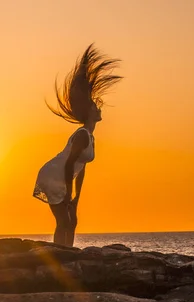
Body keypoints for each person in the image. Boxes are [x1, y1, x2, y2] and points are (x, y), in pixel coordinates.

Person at [33, 44, 122, 247]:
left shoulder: (90, 138)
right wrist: (67, 192)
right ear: (90, 112)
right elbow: (68, 164)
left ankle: (68, 252)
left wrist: (77, 198)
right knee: (64, 221)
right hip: (54, 174)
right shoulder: (82, 135)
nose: (99, 108)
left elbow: (81, 169)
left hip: (63, 177)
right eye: (95, 106)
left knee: (72, 220)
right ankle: (61, 255)